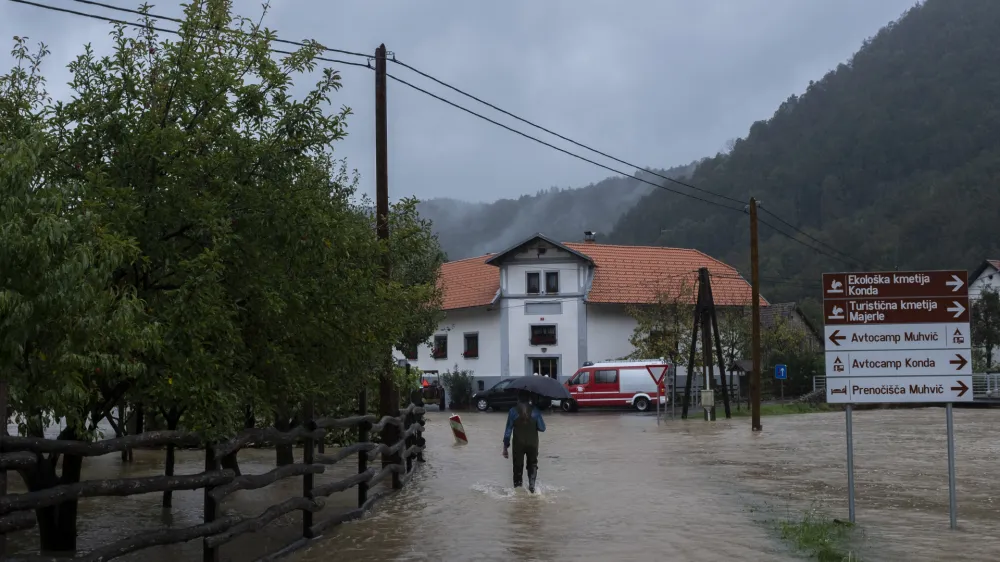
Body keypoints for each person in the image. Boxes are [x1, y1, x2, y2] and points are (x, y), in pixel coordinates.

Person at [502, 390, 546, 492]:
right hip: (533, 444)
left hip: (518, 445)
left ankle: (518, 491)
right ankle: (532, 487)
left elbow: (508, 431)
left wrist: (505, 447)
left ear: (518, 399)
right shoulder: (535, 411)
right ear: (529, 398)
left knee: (517, 467)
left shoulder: (513, 411)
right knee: (532, 465)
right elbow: (542, 428)